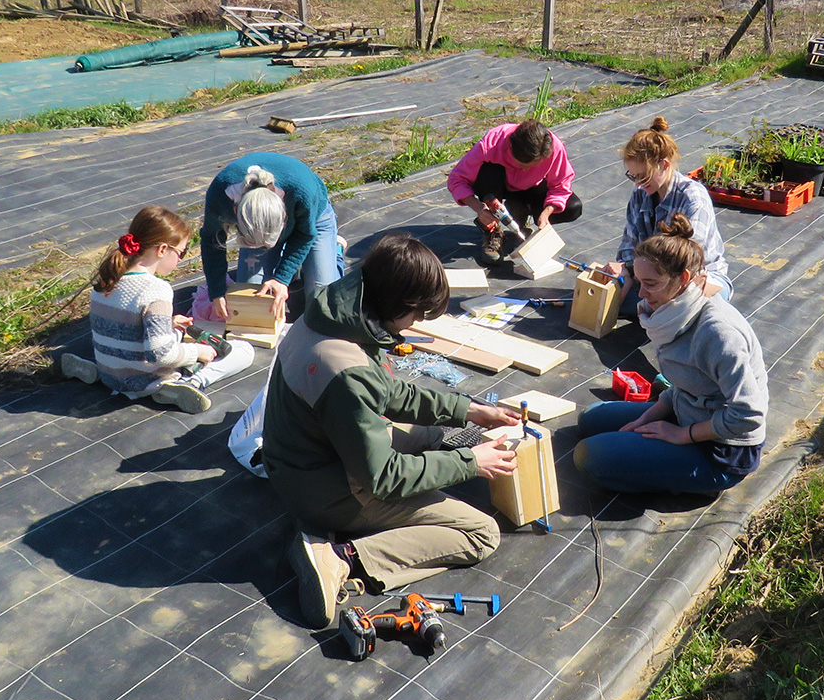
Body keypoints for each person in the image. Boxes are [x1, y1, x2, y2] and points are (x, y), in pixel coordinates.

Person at [262, 231, 522, 629]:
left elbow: (383, 390)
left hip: (300, 459)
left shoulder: (334, 313)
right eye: (418, 316)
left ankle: (441, 447)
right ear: (405, 304)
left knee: (428, 436)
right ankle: (341, 558)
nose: (417, 324)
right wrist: (470, 462)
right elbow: (382, 477)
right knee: (480, 532)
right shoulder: (345, 371)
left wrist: (467, 410)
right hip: (326, 491)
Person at [575, 214, 767, 495]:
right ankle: (653, 457)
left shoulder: (717, 334)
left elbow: (748, 415)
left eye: (650, 284)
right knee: (590, 419)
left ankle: (684, 479)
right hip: (690, 412)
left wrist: (681, 435)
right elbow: (684, 385)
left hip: (722, 451)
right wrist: (648, 418)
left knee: (588, 456)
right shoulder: (672, 313)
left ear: (684, 278)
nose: (641, 294)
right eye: (639, 282)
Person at [61, 206, 256, 414]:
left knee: (132, 345)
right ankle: (191, 382)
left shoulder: (108, 278)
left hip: (111, 371)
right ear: (162, 250)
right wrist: (197, 351)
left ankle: (98, 370)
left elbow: (126, 324)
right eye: (180, 253)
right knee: (244, 351)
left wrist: (169, 324)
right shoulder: (156, 290)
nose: (179, 261)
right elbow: (160, 354)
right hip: (144, 379)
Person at [606, 117, 731, 316]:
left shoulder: (693, 198)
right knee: (610, 301)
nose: (638, 183)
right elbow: (629, 245)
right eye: (633, 176)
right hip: (653, 280)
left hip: (695, 280)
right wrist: (625, 271)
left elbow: (685, 259)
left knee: (683, 310)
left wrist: (633, 272)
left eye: (643, 176)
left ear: (664, 165)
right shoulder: (639, 196)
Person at [199, 152, 345, 323]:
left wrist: (281, 279)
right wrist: (216, 291)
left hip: (314, 219)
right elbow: (211, 240)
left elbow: (305, 234)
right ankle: (295, 263)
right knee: (251, 292)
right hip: (263, 222)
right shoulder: (221, 194)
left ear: (284, 216)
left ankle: (335, 250)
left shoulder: (302, 191)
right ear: (235, 212)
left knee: (321, 301)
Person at [447, 119, 583, 265]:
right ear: (510, 147)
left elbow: (561, 185)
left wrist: (546, 213)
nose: (524, 170)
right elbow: (456, 179)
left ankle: (522, 209)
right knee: (488, 171)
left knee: (572, 207)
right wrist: (479, 208)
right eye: (520, 164)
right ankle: (493, 232)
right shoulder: (493, 141)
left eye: (532, 166)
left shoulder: (554, 147)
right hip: (497, 187)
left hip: (532, 188)